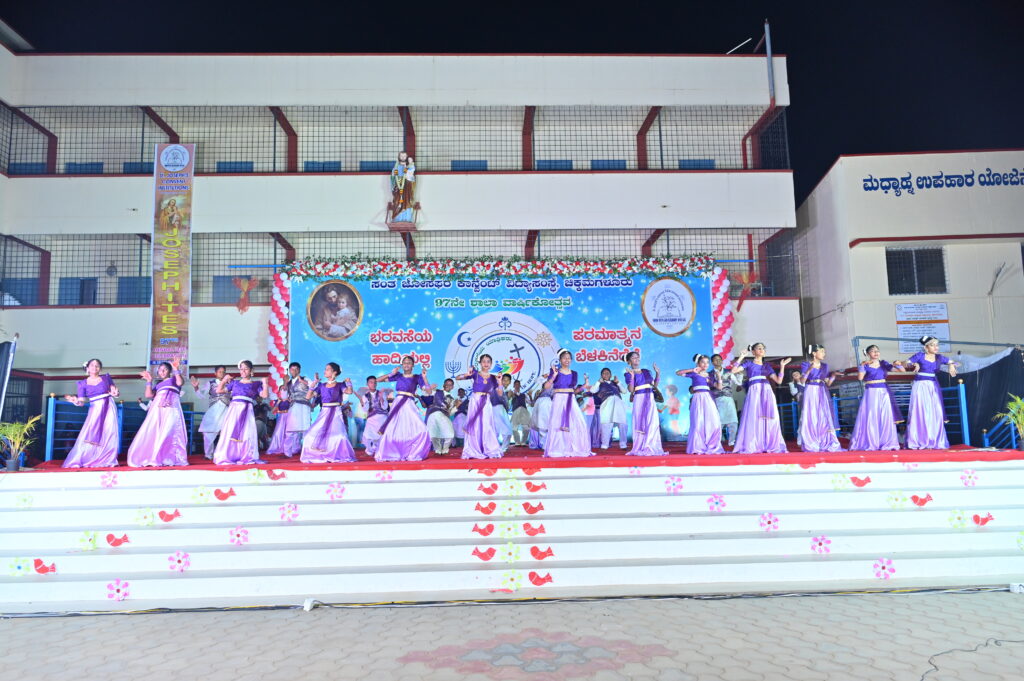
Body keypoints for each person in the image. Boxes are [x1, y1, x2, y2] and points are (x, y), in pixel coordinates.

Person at [127, 359, 189, 467]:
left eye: (165, 369)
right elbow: (148, 395)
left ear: (169, 371)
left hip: (171, 409)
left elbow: (180, 382)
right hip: (157, 410)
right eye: (160, 370)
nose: (162, 371)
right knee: (155, 432)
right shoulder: (159, 384)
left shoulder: (175, 379)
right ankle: (155, 456)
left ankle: (168, 457)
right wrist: (149, 381)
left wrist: (176, 369)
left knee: (169, 431)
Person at [731, 343, 790, 454]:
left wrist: (782, 366)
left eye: (763, 348)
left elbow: (779, 381)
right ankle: (754, 443)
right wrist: (741, 357)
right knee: (754, 415)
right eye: (759, 348)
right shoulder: (748, 363)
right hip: (754, 390)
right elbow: (733, 371)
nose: (762, 350)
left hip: (766, 391)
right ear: (753, 352)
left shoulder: (767, 366)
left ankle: (767, 443)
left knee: (768, 417)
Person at [62, 359, 121, 468]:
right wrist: (75, 401)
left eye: (97, 365)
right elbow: (81, 402)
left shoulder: (106, 378)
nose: (95, 367)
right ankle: (87, 457)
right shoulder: (82, 383)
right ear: (87, 368)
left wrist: (116, 393)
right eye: (92, 365)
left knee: (109, 432)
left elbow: (114, 391)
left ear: (100, 368)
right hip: (95, 408)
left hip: (109, 406)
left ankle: (107, 459)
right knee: (91, 432)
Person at [374, 356, 432, 461]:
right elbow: (377, 380)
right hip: (398, 403)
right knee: (393, 429)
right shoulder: (398, 376)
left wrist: (424, 378)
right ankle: (392, 453)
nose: (406, 364)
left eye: (409, 362)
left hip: (409, 404)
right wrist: (391, 373)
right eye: (404, 362)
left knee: (422, 430)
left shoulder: (417, 377)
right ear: (402, 365)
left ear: (413, 365)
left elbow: (429, 391)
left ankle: (413, 453)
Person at [905, 335, 958, 450]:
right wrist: (914, 364)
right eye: (932, 345)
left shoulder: (939, 357)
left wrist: (951, 365)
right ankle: (919, 439)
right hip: (920, 385)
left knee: (935, 411)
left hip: (933, 386)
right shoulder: (919, 355)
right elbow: (906, 363)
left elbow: (956, 363)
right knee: (920, 411)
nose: (936, 347)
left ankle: (934, 439)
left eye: (937, 345)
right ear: (926, 347)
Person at [212, 360, 269, 465]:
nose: (243, 371)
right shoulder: (235, 383)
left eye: (246, 369)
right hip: (234, 410)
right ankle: (228, 455)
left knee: (247, 433)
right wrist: (224, 380)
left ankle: (245, 455)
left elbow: (264, 395)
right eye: (241, 369)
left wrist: (265, 383)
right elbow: (218, 391)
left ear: (251, 370)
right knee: (230, 431)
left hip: (247, 410)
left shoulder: (256, 384)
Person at [850, 345, 906, 451]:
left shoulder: (883, 363)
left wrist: (898, 364)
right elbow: (860, 378)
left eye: (877, 351)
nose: (876, 353)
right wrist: (861, 365)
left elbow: (902, 371)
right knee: (871, 416)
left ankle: (886, 442)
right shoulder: (865, 365)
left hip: (883, 392)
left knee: (885, 416)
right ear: (868, 354)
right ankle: (871, 441)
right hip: (871, 392)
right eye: (872, 351)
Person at [300, 363, 356, 463]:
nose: (325, 371)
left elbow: (349, 392)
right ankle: (318, 454)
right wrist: (313, 384)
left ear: (334, 372)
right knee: (309, 436)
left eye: (327, 369)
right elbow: (308, 397)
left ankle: (337, 454)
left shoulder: (340, 385)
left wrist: (348, 383)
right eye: (325, 369)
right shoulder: (321, 386)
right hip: (324, 412)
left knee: (340, 436)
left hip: (336, 412)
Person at [543, 349, 595, 458]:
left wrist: (584, 386)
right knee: (558, 423)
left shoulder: (574, 374)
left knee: (578, 422)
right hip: (558, 399)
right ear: (560, 360)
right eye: (564, 358)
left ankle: (575, 448)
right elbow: (546, 387)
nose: (567, 360)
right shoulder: (555, 371)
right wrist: (554, 376)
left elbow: (574, 390)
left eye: (569, 358)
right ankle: (558, 449)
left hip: (571, 399)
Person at [455, 355, 504, 459]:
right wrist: (467, 374)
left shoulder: (493, 377)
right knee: (475, 426)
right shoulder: (475, 374)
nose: (486, 364)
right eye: (484, 361)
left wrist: (500, 382)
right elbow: (457, 378)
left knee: (487, 425)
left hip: (486, 402)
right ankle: (473, 449)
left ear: (491, 364)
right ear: (480, 363)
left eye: (488, 361)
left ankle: (488, 448)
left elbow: (500, 393)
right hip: (475, 401)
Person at [797, 345, 843, 452]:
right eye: (821, 351)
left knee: (823, 415)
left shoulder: (825, 366)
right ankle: (811, 441)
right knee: (811, 415)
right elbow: (802, 381)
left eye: (824, 352)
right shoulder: (805, 364)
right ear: (814, 353)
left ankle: (825, 440)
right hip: (810, 390)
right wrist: (809, 369)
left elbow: (828, 383)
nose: (824, 354)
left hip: (822, 390)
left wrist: (833, 375)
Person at [677, 354, 725, 455]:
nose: (705, 364)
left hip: (708, 398)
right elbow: (678, 373)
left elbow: (719, 387)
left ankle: (711, 444)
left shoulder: (709, 375)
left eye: (707, 362)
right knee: (698, 422)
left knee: (713, 421)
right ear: (698, 363)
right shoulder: (694, 373)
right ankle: (698, 446)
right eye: (703, 362)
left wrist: (719, 377)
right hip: (698, 398)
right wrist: (692, 370)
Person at [624, 351, 666, 457]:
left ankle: (651, 445)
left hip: (650, 397)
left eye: (637, 357)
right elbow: (631, 390)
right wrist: (632, 376)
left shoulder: (646, 371)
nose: (636, 359)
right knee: (640, 421)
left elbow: (654, 385)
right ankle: (640, 446)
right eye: (633, 358)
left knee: (652, 421)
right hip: (639, 398)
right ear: (629, 361)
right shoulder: (628, 373)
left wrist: (658, 373)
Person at [191, 365, 230, 458]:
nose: (222, 373)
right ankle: (209, 454)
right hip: (214, 411)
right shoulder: (210, 383)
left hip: (226, 410)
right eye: (220, 372)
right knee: (208, 432)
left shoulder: (230, 383)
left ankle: (224, 454)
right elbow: (201, 395)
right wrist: (196, 388)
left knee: (227, 432)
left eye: (223, 372)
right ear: (215, 373)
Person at [588, 367, 628, 450]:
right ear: (601, 375)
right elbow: (592, 390)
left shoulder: (615, 383)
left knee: (623, 424)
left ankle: (623, 444)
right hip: (606, 403)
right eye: (603, 373)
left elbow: (624, 391)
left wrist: (618, 382)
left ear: (610, 375)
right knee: (606, 424)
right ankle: (604, 445)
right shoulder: (599, 384)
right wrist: (598, 382)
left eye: (607, 373)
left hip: (618, 403)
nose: (605, 374)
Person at [709, 354, 739, 448]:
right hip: (716, 399)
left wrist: (740, 378)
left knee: (733, 420)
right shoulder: (709, 374)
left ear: (722, 361)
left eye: (719, 359)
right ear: (712, 362)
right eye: (715, 360)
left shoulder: (728, 372)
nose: (718, 361)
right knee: (718, 421)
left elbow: (738, 383)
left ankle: (732, 441)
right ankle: (717, 441)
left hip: (728, 398)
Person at [422, 378, 457, 456]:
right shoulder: (436, 392)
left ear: (452, 387)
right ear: (443, 385)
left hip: (443, 416)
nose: (448, 386)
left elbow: (450, 413)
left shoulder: (452, 399)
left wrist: (456, 407)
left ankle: (445, 449)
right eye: (446, 384)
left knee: (450, 434)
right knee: (434, 434)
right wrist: (429, 387)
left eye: (450, 385)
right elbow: (425, 392)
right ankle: (437, 450)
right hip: (433, 414)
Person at [266, 387, 301, 456]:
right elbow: (272, 411)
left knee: (290, 432)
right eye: (281, 389)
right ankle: (280, 447)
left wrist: (291, 401)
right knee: (280, 432)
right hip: (282, 417)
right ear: (279, 391)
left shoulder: (291, 400)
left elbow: (296, 408)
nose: (283, 390)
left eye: (285, 389)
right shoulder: (278, 400)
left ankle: (292, 448)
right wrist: (278, 403)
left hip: (290, 416)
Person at [360, 376, 390, 456]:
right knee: (367, 436)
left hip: (382, 418)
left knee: (380, 436)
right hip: (371, 418)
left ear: (376, 384)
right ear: (367, 384)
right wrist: (363, 403)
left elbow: (385, 407)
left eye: (374, 382)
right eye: (371, 382)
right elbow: (365, 409)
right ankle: (369, 451)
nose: (373, 384)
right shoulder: (365, 396)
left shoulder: (382, 393)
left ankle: (379, 452)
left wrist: (382, 400)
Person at [391, 150, 416, 220]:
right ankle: (398, 218)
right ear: (399, 157)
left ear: (406, 157)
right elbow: (392, 177)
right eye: (401, 156)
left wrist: (410, 165)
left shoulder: (408, 166)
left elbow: (411, 175)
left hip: (406, 185)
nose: (402, 157)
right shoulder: (396, 167)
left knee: (407, 200)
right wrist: (394, 177)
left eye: (404, 156)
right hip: (398, 185)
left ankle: (407, 218)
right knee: (397, 200)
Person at [492, 373, 514, 452]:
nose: (505, 382)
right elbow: (499, 398)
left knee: (503, 430)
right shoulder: (497, 387)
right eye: (504, 380)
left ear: (510, 382)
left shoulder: (508, 391)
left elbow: (507, 403)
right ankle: (497, 448)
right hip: (496, 408)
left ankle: (500, 448)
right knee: (501, 429)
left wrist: (508, 397)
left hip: (501, 410)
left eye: (507, 380)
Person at [528, 384, 554, 449]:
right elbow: (532, 403)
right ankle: (543, 444)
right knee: (540, 424)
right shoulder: (539, 392)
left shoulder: (551, 389)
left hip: (546, 404)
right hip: (539, 405)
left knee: (545, 424)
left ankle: (546, 444)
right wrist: (531, 396)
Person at [509, 379, 532, 447]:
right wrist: (511, 395)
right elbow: (508, 400)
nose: (517, 386)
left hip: (523, 411)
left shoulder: (524, 395)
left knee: (526, 427)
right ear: (513, 386)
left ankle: (523, 441)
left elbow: (531, 404)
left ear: (520, 386)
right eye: (516, 384)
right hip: (515, 411)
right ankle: (517, 442)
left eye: (518, 384)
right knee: (514, 427)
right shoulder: (511, 394)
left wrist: (530, 396)